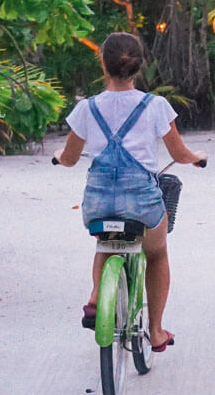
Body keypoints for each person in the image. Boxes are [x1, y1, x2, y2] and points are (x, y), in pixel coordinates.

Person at [54, 32, 206, 352]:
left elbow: (68, 159)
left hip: (98, 204)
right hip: (142, 204)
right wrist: (197, 158)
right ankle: (156, 330)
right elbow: (179, 154)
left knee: (104, 243)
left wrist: (57, 156)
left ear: (103, 64)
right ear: (138, 65)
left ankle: (96, 296)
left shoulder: (86, 108)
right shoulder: (156, 106)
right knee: (157, 252)